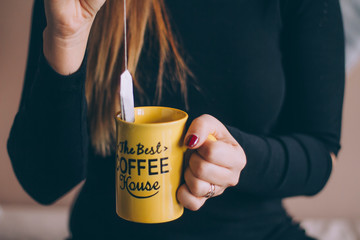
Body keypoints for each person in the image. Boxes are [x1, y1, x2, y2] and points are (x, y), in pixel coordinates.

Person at [7, 0, 344, 239]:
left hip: (257, 231)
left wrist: (243, 159)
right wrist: (66, 37)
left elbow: (320, 154)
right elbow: (44, 182)